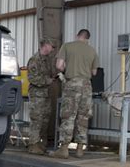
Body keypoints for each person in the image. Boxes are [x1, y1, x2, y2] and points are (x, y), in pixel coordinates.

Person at [52, 29, 99, 159]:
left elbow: (59, 65)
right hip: (87, 86)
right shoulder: (92, 51)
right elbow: (94, 72)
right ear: (88, 38)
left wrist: (67, 68)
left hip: (72, 84)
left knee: (68, 115)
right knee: (83, 117)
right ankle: (79, 149)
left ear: (77, 35)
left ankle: (64, 149)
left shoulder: (67, 46)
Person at [27, 39, 56, 155]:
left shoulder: (46, 60)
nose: (53, 49)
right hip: (37, 95)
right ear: (46, 45)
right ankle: (33, 144)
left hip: (46, 94)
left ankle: (40, 144)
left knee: (45, 119)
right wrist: (48, 80)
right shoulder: (35, 60)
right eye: (52, 46)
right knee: (36, 119)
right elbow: (33, 78)